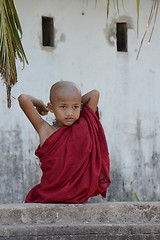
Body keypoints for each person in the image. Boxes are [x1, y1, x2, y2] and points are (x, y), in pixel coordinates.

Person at [18, 81, 111, 203]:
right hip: (52, 196)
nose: (70, 113)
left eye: (75, 107)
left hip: (78, 196)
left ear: (81, 107)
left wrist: (74, 102)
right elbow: (23, 98)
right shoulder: (45, 130)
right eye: (63, 107)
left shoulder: (83, 126)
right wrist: (41, 105)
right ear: (51, 107)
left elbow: (95, 94)